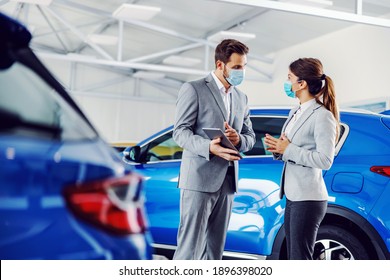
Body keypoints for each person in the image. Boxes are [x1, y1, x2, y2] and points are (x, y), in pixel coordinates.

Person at [172, 39, 256, 260]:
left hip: (227, 182)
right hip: (199, 179)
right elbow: (180, 132)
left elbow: (250, 138)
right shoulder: (194, 89)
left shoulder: (241, 97)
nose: (242, 71)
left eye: (244, 66)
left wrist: (238, 139)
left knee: (214, 251)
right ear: (220, 65)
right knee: (190, 248)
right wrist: (209, 147)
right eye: (237, 67)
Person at [264, 58, 339, 260]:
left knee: (300, 258)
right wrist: (278, 149)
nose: (287, 83)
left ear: (302, 83)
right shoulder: (295, 111)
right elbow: (291, 148)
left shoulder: (322, 116)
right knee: (293, 255)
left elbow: (325, 160)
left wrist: (289, 149)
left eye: (289, 78)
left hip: (309, 198)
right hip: (293, 195)